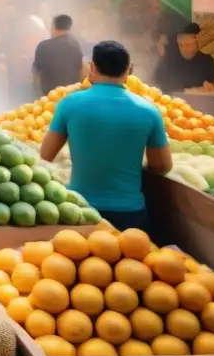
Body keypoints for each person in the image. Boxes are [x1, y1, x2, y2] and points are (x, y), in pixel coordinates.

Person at [39, 41, 171, 231]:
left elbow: (46, 155)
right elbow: (162, 165)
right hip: (130, 215)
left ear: (92, 68)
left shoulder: (69, 104)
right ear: (129, 70)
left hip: (81, 211)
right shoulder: (148, 110)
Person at [154, 22, 214, 92]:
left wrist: (213, 88)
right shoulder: (168, 60)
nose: (189, 49)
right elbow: (157, 85)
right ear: (178, 44)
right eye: (184, 45)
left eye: (192, 44)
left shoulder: (207, 60)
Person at [32, 14, 85, 95]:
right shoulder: (75, 45)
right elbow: (81, 71)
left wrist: (38, 95)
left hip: (49, 99)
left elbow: (36, 73)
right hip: (71, 96)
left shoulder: (44, 46)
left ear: (53, 27)